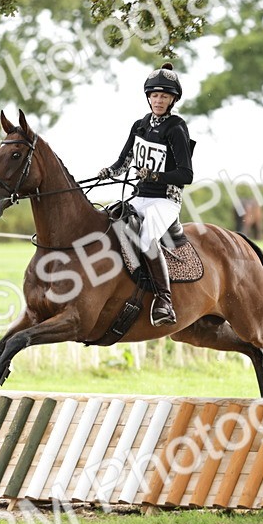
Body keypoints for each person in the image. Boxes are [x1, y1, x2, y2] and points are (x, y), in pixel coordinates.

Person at [97, 62, 194, 326]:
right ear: (148, 97)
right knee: (108, 221)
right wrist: (109, 170)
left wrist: (155, 176)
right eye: (154, 95)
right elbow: (124, 161)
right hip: (139, 197)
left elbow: (187, 175)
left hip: (165, 200)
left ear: (172, 100)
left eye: (164, 96)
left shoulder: (176, 128)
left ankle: (164, 300)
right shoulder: (139, 125)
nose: (158, 100)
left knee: (147, 234)